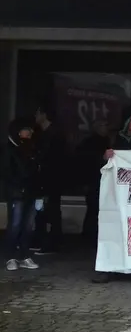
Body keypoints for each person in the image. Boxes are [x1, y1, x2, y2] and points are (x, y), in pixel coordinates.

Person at [95, 106, 131, 284]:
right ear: (127, 122)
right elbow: (98, 163)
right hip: (118, 192)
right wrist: (105, 156)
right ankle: (109, 268)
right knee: (114, 228)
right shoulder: (114, 139)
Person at [3, 119, 42, 271]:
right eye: (27, 130)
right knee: (15, 225)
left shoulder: (32, 148)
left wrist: (39, 192)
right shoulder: (10, 149)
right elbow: (9, 172)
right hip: (17, 193)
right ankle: (11, 257)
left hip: (31, 193)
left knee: (28, 226)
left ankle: (24, 256)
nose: (30, 133)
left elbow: (37, 172)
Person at [31, 105, 66, 255]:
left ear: (44, 115)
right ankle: (45, 240)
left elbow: (50, 159)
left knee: (49, 210)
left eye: (37, 113)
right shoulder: (47, 133)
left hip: (50, 179)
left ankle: (51, 243)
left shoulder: (53, 135)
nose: (35, 116)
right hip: (49, 179)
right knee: (46, 209)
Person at [77, 120, 111, 248]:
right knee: (93, 209)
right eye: (103, 125)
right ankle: (89, 236)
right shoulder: (90, 143)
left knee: (98, 209)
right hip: (93, 180)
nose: (106, 128)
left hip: (102, 181)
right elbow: (86, 163)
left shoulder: (107, 141)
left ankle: (93, 236)